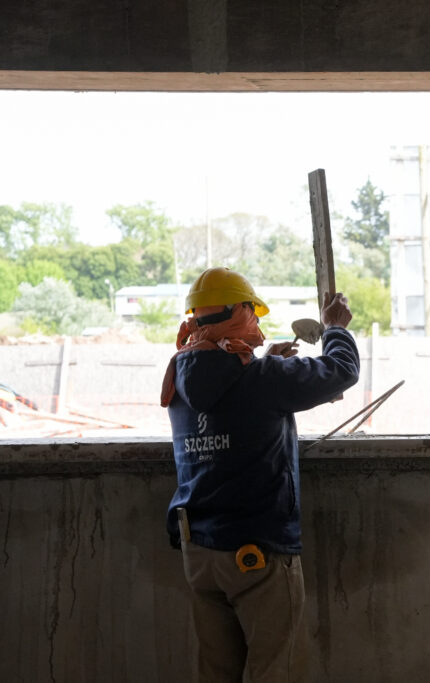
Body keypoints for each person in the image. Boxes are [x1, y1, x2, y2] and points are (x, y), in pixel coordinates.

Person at [161, 267, 360, 682]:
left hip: (199, 549)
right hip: (257, 551)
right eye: (253, 315)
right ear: (240, 313)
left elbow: (230, 402)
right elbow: (341, 371)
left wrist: (265, 366)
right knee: (277, 670)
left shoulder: (178, 380)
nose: (258, 327)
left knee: (216, 672)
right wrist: (333, 328)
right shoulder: (263, 379)